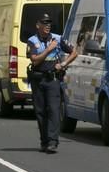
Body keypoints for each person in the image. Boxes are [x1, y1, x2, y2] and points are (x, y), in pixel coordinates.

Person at [27, 13, 78, 153]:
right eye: (44, 23)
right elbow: (35, 60)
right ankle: (44, 141)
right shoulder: (32, 41)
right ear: (38, 25)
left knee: (54, 110)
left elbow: (74, 52)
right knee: (40, 111)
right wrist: (49, 49)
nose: (48, 25)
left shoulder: (57, 38)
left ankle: (53, 141)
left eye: (49, 23)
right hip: (38, 79)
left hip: (53, 80)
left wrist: (63, 64)